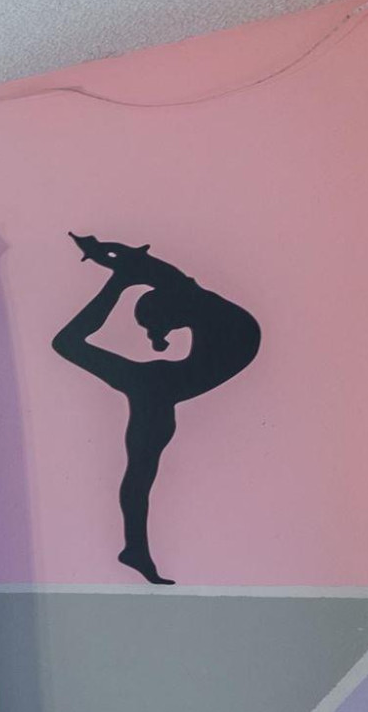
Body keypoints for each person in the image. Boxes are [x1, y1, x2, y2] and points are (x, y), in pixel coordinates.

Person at [49, 233, 259, 585]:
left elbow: (142, 266)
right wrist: (116, 272)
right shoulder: (194, 300)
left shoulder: (193, 298)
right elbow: (143, 266)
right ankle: (135, 549)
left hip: (161, 384)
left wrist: (112, 265)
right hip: (160, 385)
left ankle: (135, 548)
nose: (156, 335)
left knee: (140, 469)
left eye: (155, 326)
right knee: (140, 469)